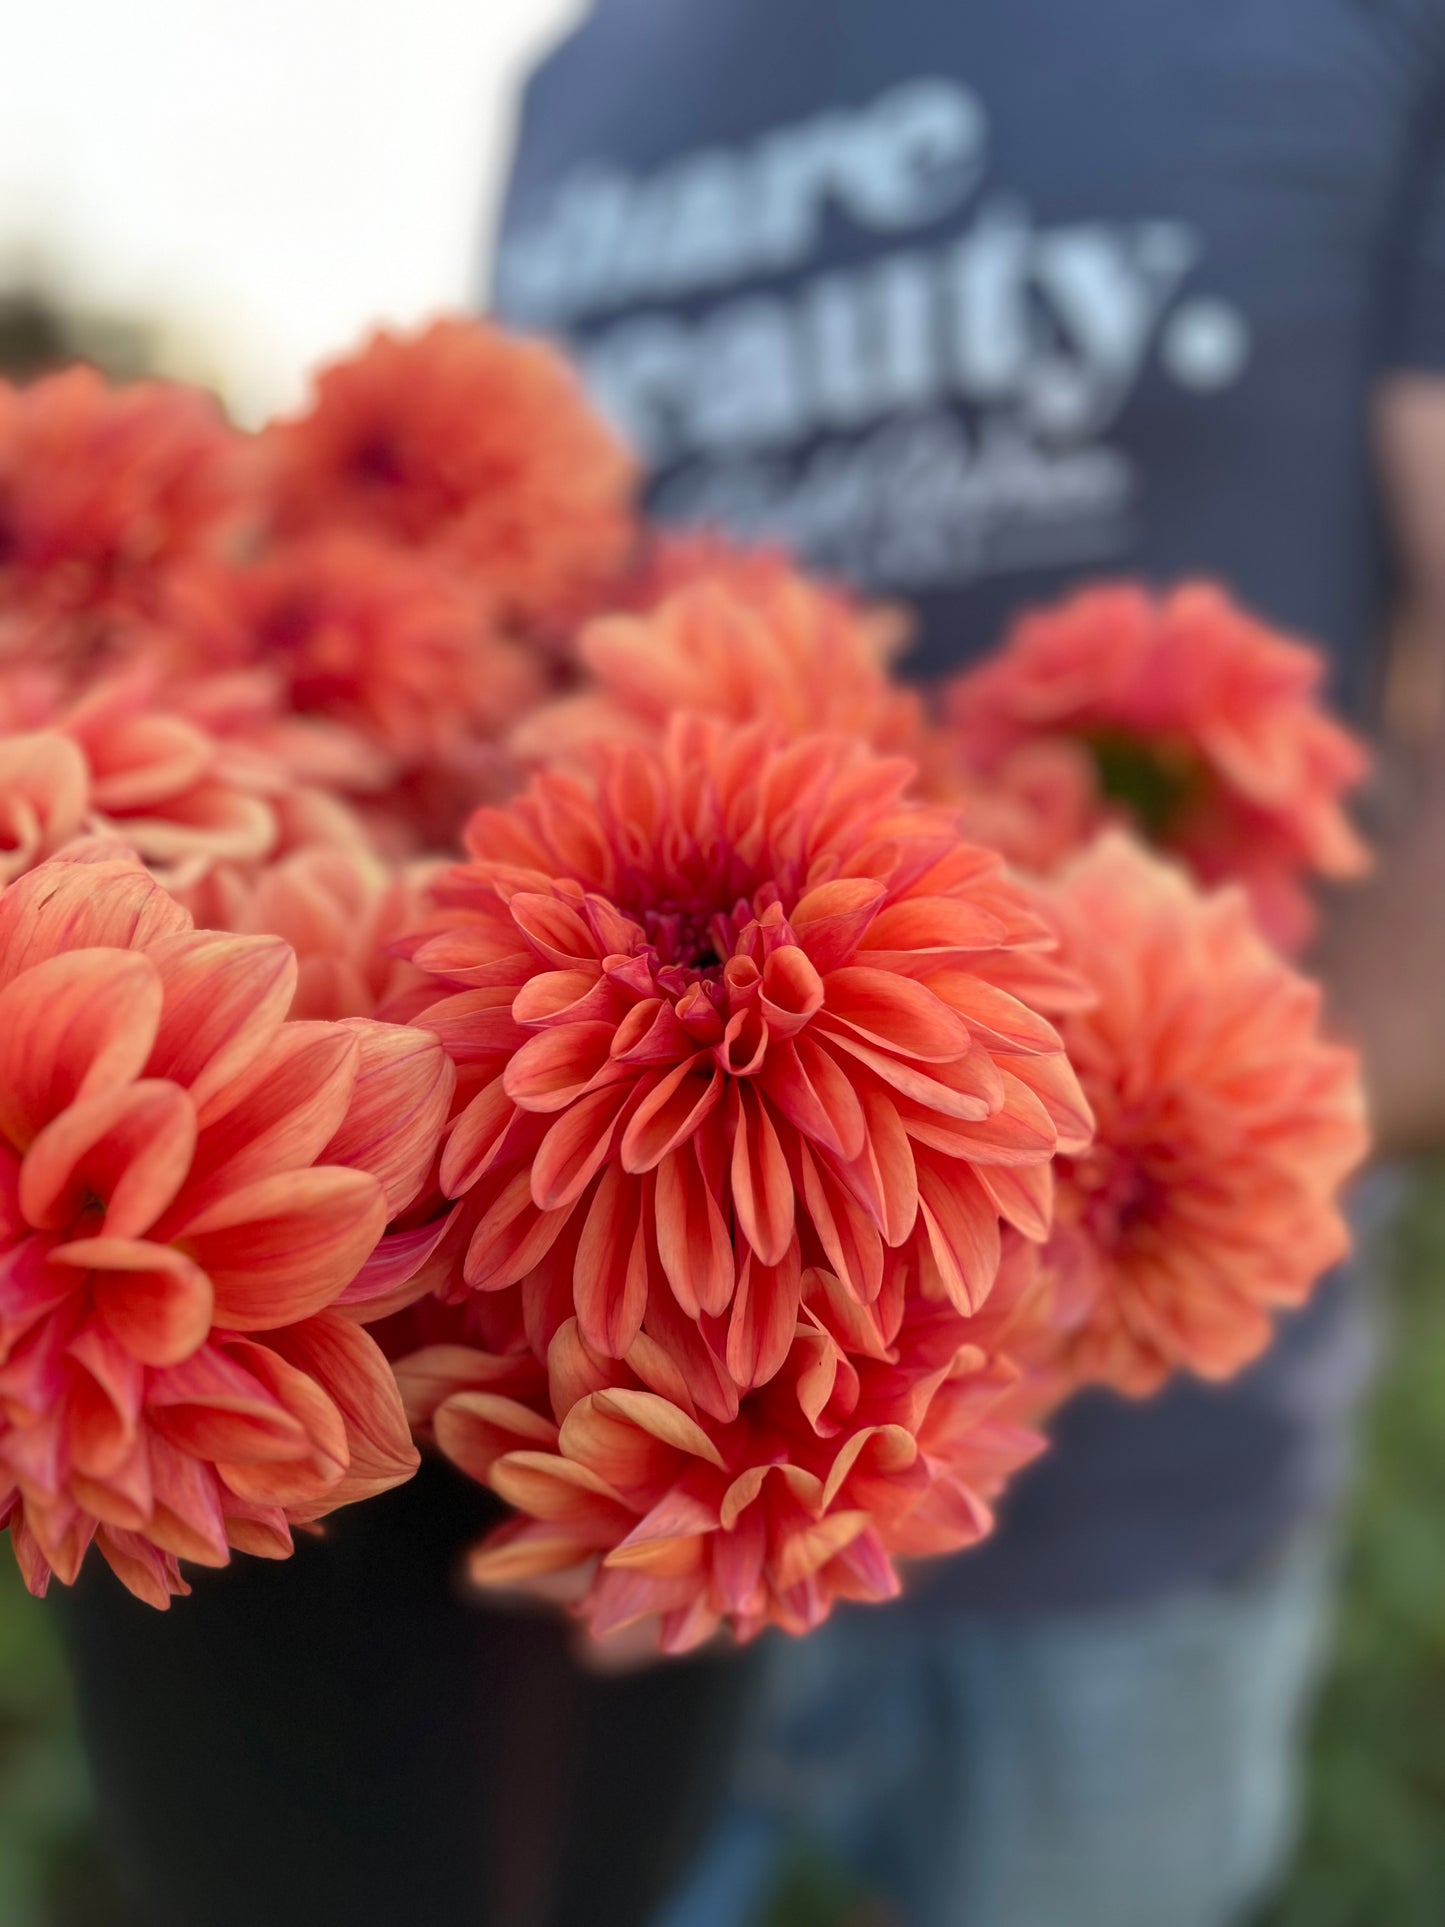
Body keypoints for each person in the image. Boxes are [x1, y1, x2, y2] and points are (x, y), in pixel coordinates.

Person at [491, 5, 1445, 1923]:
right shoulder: (580, 90)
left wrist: (1040, 1219)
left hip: (1124, 1532)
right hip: (625, 1483)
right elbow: (519, 645)